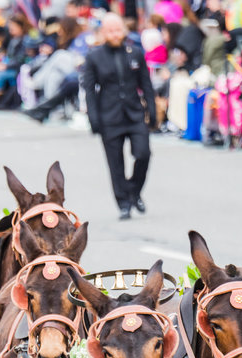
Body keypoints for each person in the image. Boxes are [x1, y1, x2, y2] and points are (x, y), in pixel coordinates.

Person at [82, 13, 157, 220]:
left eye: (118, 29)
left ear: (124, 30)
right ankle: (123, 202)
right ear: (103, 33)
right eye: (110, 31)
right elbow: (89, 89)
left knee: (143, 154)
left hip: (134, 113)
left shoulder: (135, 53)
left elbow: (146, 84)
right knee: (115, 163)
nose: (115, 34)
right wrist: (93, 118)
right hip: (109, 115)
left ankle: (134, 190)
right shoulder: (94, 56)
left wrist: (152, 111)